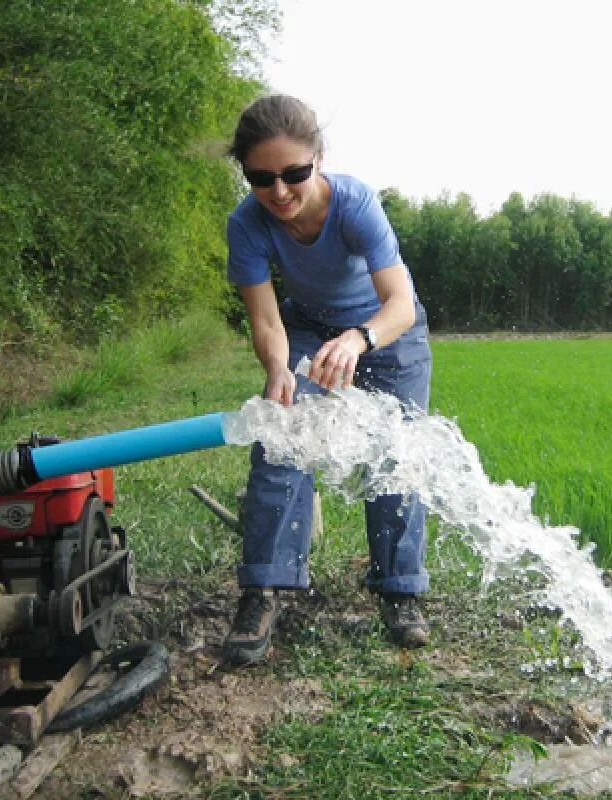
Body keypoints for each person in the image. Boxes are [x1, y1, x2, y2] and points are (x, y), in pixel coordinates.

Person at [222, 94, 433, 666]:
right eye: (262, 179)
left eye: (294, 173)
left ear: (318, 159)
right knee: (281, 436)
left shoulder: (355, 204)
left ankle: (400, 592)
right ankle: (265, 590)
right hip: (307, 331)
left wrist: (360, 338)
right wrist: (277, 374)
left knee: (396, 453)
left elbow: (400, 305)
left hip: (386, 333)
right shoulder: (246, 224)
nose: (281, 192)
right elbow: (266, 319)